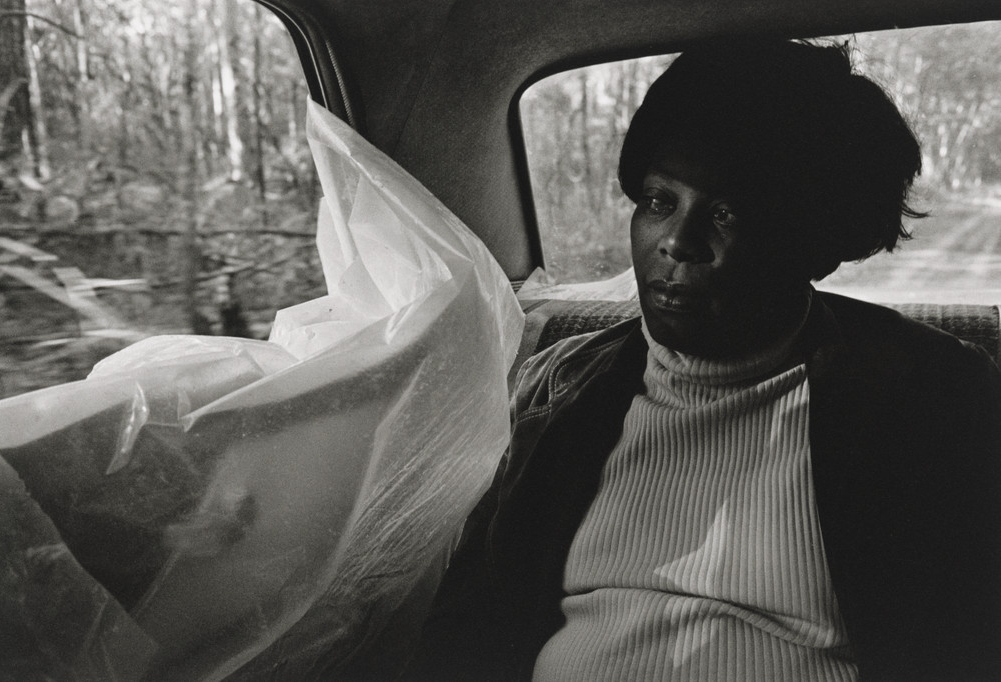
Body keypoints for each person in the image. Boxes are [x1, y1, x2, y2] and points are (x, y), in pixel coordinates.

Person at [402, 39, 1001, 681]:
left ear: (819, 244)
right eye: (659, 201)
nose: (677, 242)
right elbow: (469, 625)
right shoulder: (558, 387)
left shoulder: (933, 396)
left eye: (725, 213)